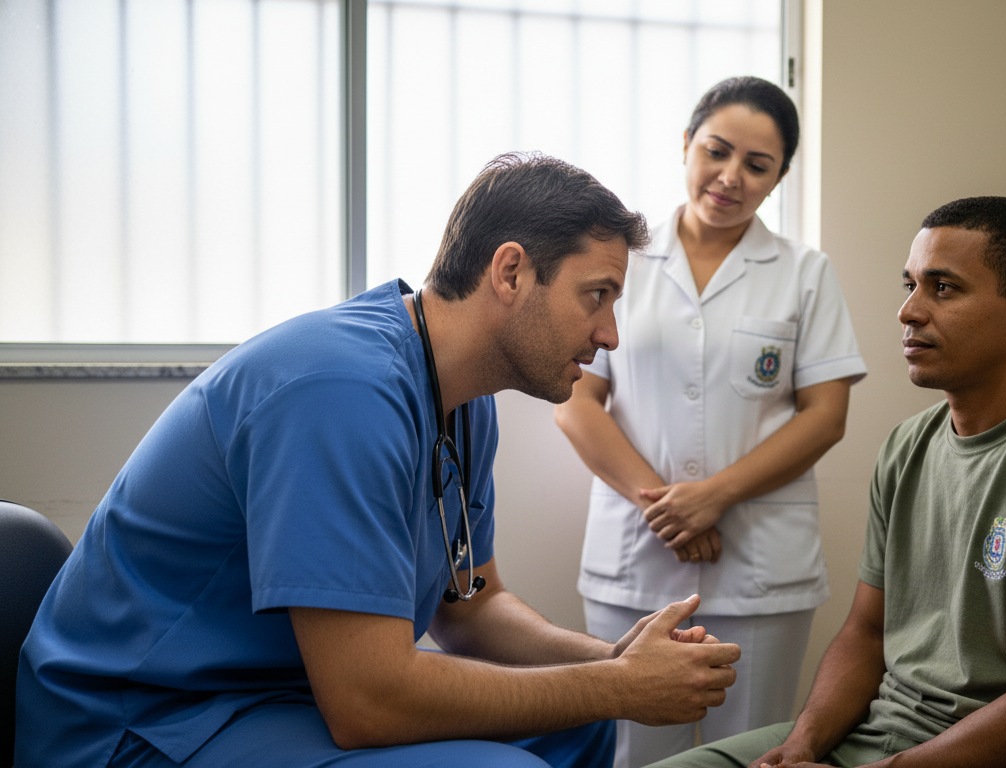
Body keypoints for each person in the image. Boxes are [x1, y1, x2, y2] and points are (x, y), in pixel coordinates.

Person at [15, 152, 742, 768]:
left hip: (271, 693)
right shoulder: (340, 391)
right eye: (597, 296)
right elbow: (367, 701)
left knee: (578, 720)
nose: (611, 333)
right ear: (511, 273)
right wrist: (618, 687)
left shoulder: (462, 401)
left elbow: (472, 605)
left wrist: (610, 662)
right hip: (141, 720)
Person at [648, 196, 1006, 768]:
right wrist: (799, 748)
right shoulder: (909, 447)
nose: (908, 311)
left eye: (943, 288)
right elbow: (867, 633)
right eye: (910, 285)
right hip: (884, 735)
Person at [553, 76, 866, 768]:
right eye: (716, 152)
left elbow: (826, 416)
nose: (730, 177)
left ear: (779, 176)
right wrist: (663, 507)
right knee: (636, 752)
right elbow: (576, 401)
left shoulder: (803, 274)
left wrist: (715, 495)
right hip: (637, 556)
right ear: (686, 145)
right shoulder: (620, 262)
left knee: (753, 750)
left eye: (757, 166)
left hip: (758, 566)